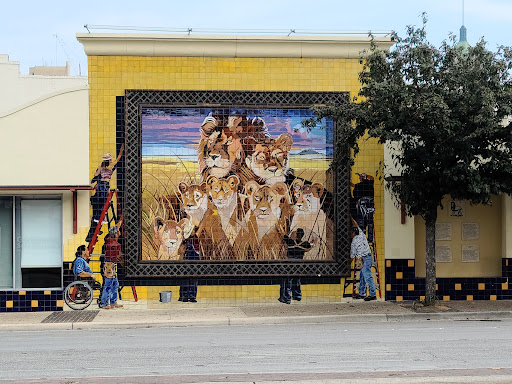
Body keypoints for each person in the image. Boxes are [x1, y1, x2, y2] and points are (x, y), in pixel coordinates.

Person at [278, 228, 315, 304]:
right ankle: (297, 296)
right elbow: (310, 246)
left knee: (288, 280)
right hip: (299, 265)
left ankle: (287, 298)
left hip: (290, 265)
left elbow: (283, 235)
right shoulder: (305, 244)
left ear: (296, 235)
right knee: (297, 279)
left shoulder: (290, 242)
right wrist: (312, 244)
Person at [91, 145, 124, 224]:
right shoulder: (111, 165)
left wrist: (99, 169)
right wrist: (121, 151)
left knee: (101, 202)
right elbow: (118, 158)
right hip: (105, 184)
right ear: (109, 160)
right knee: (105, 202)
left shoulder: (101, 166)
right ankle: (99, 218)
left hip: (101, 185)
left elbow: (96, 174)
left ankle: (98, 218)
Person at [351, 217, 376, 301]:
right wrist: (351, 218)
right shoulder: (361, 234)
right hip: (368, 257)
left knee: (367, 276)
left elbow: (352, 256)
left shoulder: (353, 242)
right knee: (362, 276)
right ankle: (362, 293)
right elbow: (356, 224)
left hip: (364, 258)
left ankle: (372, 294)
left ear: (353, 233)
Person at [100, 219, 124, 309]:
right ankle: (105, 303)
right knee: (109, 285)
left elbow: (114, 228)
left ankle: (113, 302)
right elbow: (119, 256)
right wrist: (124, 264)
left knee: (114, 284)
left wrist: (119, 222)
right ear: (116, 233)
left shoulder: (108, 240)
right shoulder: (115, 244)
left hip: (109, 265)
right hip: (111, 265)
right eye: (118, 231)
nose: (120, 233)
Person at [178, 237, 200, 303]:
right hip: (186, 261)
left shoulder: (196, 240)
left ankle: (191, 296)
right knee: (185, 278)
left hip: (194, 261)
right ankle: (185, 296)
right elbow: (180, 252)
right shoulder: (185, 241)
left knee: (193, 278)